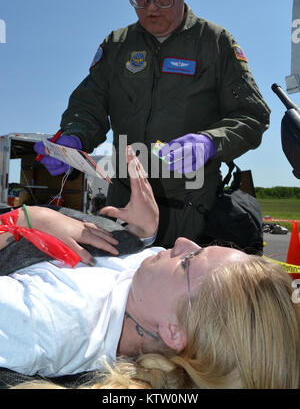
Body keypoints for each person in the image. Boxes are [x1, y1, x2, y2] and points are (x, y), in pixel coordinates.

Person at [34, 0, 271, 248]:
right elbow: (88, 106)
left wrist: (211, 142)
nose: (150, 8)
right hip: (124, 211)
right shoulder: (118, 45)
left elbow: (252, 115)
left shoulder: (215, 43)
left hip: (194, 211)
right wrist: (73, 137)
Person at [0, 150, 300, 390]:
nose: (181, 241)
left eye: (188, 261)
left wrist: (25, 219)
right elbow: (128, 267)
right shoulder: (154, 296)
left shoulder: (42, 324)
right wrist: (140, 234)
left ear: (172, 330)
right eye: (198, 247)